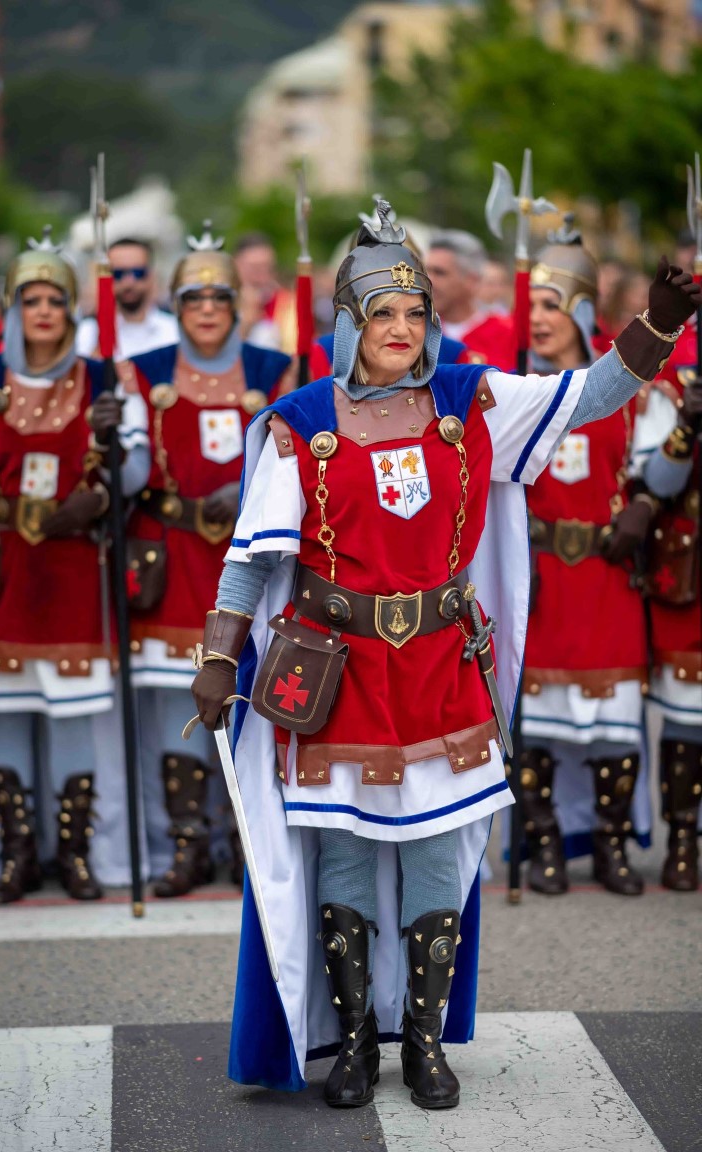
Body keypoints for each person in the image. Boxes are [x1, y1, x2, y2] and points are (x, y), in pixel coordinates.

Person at [190, 201, 700, 1107]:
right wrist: (221, 656)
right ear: (348, 323)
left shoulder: (472, 401)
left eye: (415, 311)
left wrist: (655, 326)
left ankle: (423, 1043)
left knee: (436, 850)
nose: (402, 328)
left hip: (439, 667)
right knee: (345, 855)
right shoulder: (298, 422)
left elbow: (586, 397)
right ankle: (355, 1044)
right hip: (338, 674)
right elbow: (251, 556)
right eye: (382, 313)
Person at [0, 229, 149, 904]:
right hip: (2, 570)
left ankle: (74, 853)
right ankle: (17, 854)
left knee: (71, 713)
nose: (43, 312)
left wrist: (105, 484)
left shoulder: (104, 378)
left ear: (72, 308)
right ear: (13, 308)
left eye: (55, 300)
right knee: (5, 712)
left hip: (71, 568)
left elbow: (134, 472)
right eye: (30, 300)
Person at [122, 222, 291, 894]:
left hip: (246, 562)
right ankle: (187, 843)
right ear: (177, 304)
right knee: (177, 701)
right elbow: (132, 467)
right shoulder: (144, 372)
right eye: (194, 298)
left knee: (249, 693)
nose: (208, 309)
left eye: (220, 296)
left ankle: (243, 836)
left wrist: (247, 486)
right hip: (174, 555)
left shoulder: (273, 369)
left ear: (236, 303)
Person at [519, 223, 657, 896]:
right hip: (543, 578)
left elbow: (658, 470)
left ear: (578, 310)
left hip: (606, 576)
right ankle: (543, 843)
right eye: (530, 305)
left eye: (551, 305)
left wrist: (646, 504)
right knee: (538, 724)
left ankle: (610, 845)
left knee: (616, 718)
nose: (537, 319)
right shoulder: (515, 391)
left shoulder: (630, 392)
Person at [638, 327, 702, 889]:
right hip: (689, 570)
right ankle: (682, 838)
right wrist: (687, 424)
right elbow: (657, 483)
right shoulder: (675, 377)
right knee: (686, 710)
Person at [425, 230, 516, 370]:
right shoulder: (417, 329)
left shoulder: (507, 334)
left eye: (439, 273)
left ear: (471, 280)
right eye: (425, 272)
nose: (428, 281)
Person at [77, 238, 178, 360]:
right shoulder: (86, 334)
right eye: (118, 274)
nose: (128, 282)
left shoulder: (175, 332)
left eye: (138, 273)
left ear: (151, 275)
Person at [233, 232, 296, 353]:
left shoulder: (288, 304)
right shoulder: (223, 301)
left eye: (266, 267)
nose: (260, 276)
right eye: (253, 268)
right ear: (236, 266)